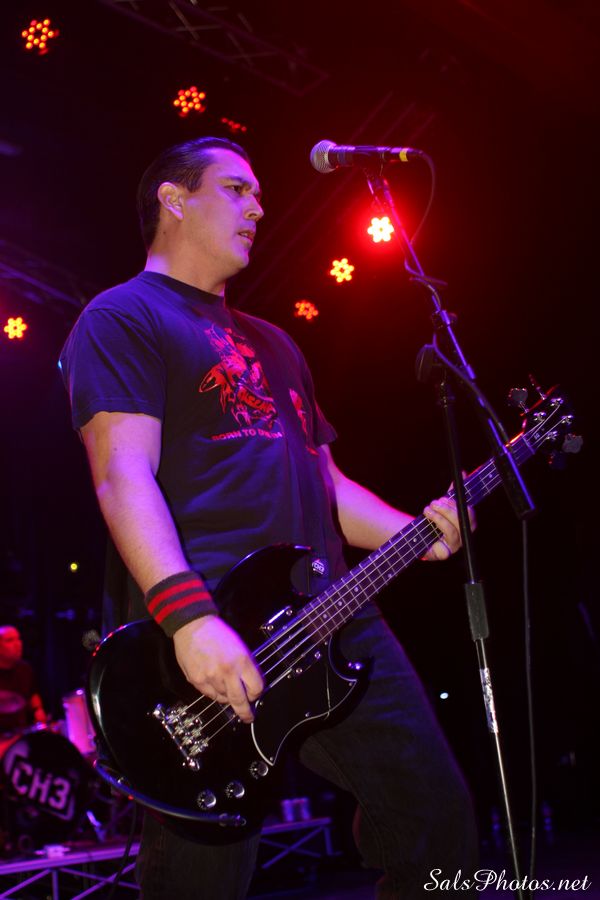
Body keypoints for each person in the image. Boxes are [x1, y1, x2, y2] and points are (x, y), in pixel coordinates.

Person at [59, 136, 478, 898]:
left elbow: (329, 486)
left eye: (258, 194)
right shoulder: (123, 317)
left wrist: (419, 534)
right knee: (203, 879)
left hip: (334, 616)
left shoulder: (277, 343)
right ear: (173, 199)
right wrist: (191, 620)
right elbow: (122, 476)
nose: (258, 207)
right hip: (211, 628)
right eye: (237, 189)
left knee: (438, 827)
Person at [0, 625, 47, 738]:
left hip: (22, 733)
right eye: (10, 640)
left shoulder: (25, 669)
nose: (17, 644)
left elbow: (33, 694)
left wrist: (38, 710)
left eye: (19, 639)